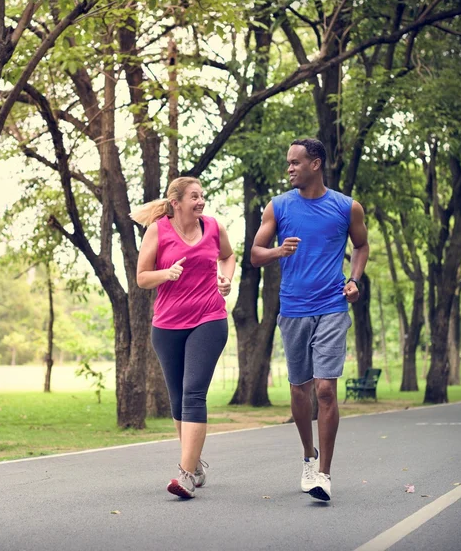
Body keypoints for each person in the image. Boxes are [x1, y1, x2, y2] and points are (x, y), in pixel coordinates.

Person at [251, 138, 369, 502]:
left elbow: (360, 246)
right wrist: (278, 251)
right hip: (293, 309)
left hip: (333, 306)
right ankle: (308, 455)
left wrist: (354, 281)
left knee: (325, 389)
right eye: (288, 163)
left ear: (315, 164)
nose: (289, 168)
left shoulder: (347, 207)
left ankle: (324, 474)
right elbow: (255, 254)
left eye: (295, 162)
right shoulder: (279, 206)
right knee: (299, 389)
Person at [131, 176, 235, 499]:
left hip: (209, 318)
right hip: (167, 326)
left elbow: (228, 257)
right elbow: (141, 277)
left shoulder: (214, 228)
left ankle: (186, 474)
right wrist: (167, 273)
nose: (201, 201)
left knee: (193, 395)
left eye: (202, 195)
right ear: (175, 203)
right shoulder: (157, 231)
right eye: (194, 196)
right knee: (178, 401)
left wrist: (226, 279)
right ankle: (196, 464)